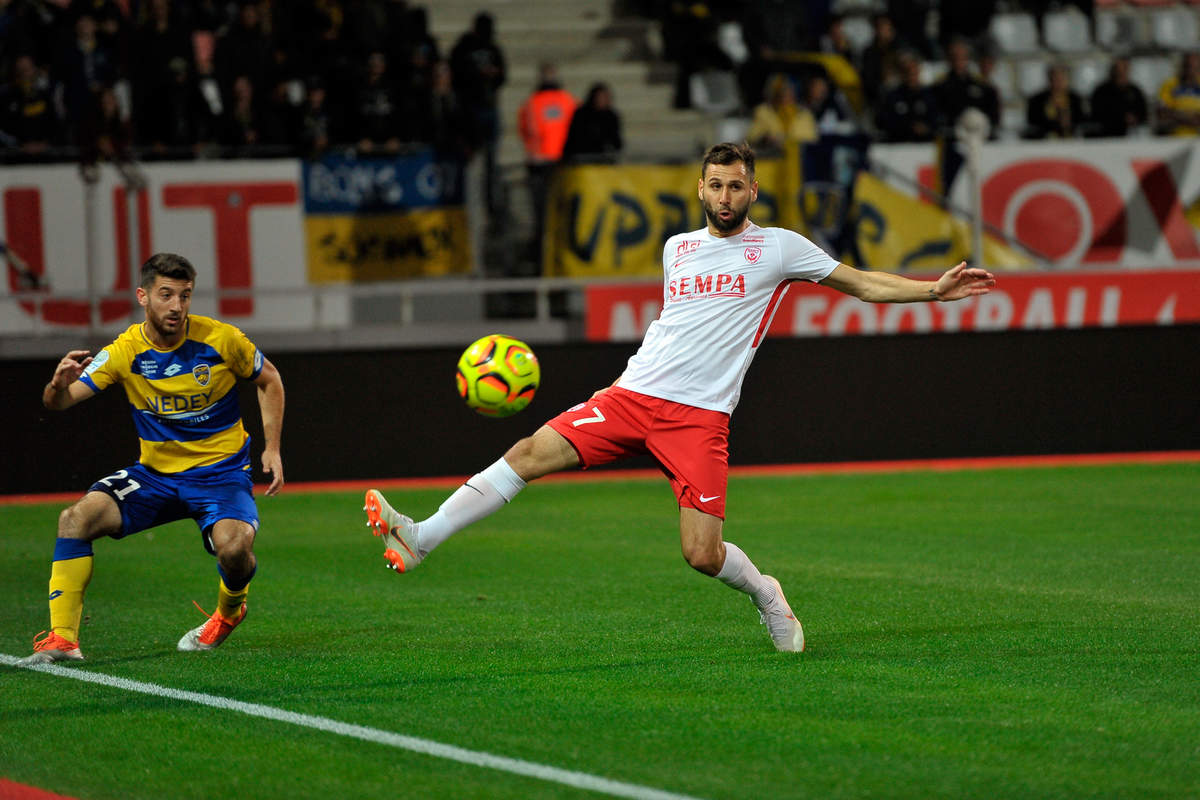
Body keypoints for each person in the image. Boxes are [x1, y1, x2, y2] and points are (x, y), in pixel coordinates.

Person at [362, 142, 995, 653]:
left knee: (701, 554)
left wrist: (930, 291)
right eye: (715, 185)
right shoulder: (678, 249)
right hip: (633, 394)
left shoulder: (779, 247)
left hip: (699, 420)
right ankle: (421, 536)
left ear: (753, 190)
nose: (725, 195)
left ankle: (767, 594)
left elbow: (862, 284)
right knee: (529, 452)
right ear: (701, 189)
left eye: (736, 185)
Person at [17, 253, 286, 665]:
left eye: (185, 295)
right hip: (155, 478)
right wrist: (56, 386)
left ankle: (229, 614)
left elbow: (269, 379)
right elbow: (60, 402)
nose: (177, 306)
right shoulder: (126, 349)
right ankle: (62, 639)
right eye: (166, 295)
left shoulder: (222, 340)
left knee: (234, 551)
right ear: (143, 297)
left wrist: (271, 448)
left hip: (221, 475)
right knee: (75, 519)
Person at [518, 62, 576, 255]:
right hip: (550, 166)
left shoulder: (533, 103)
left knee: (548, 215)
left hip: (550, 164)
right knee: (550, 214)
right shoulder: (566, 101)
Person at [876, 50, 939, 142]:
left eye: (914, 72)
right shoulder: (892, 96)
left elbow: (936, 120)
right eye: (907, 72)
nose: (911, 76)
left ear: (918, 72)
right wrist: (908, 127)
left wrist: (926, 128)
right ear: (901, 74)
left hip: (925, 146)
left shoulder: (928, 95)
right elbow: (882, 121)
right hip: (899, 146)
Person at [745, 73, 817, 151]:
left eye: (789, 93)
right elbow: (752, 138)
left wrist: (790, 142)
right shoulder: (763, 112)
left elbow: (812, 141)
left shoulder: (805, 115)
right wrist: (765, 139)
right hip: (773, 159)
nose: (785, 97)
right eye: (780, 93)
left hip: (798, 160)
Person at [562, 82, 623, 163]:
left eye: (605, 97)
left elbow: (616, 141)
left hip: (602, 159)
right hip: (581, 158)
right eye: (600, 97)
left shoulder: (611, 116)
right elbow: (574, 138)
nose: (602, 100)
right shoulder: (581, 114)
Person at [1089, 56, 1146, 138]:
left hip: (1132, 136)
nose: (1123, 71)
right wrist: (1121, 118)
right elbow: (1097, 115)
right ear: (1114, 69)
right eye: (1120, 68)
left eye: (1126, 67)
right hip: (1106, 136)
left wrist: (1135, 118)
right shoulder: (1102, 91)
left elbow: (1142, 113)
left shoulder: (1135, 90)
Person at [1026, 62, 1085, 139]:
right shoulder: (1037, 100)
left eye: (1062, 78)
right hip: (1044, 139)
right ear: (1050, 79)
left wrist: (1069, 122)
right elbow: (1033, 122)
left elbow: (1082, 119)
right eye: (1056, 78)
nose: (1059, 82)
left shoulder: (1075, 98)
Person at [1156, 50, 1200, 137]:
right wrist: (1191, 119)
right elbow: (1162, 113)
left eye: (1194, 66)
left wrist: (1176, 115)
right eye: (1187, 65)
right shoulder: (1169, 85)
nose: (1190, 69)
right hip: (1173, 138)